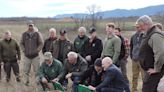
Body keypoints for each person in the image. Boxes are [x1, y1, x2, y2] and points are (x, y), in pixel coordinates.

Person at [137, 15, 164, 92]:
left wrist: (156, 68)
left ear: (146, 24)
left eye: (141, 26)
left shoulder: (155, 35)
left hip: (156, 72)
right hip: (151, 71)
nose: (140, 28)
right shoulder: (149, 34)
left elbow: (161, 53)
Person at [20, 20, 44, 86]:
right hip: (27, 56)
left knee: (37, 71)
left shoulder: (37, 34)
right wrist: (24, 50)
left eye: (31, 25)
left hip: (35, 56)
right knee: (25, 71)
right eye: (29, 25)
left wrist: (37, 50)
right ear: (27, 26)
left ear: (33, 25)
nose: (30, 27)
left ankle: (38, 83)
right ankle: (26, 83)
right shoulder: (24, 34)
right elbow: (21, 43)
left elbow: (41, 43)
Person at [130, 23, 144, 92]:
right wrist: (131, 56)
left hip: (143, 60)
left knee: (144, 77)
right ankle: (134, 90)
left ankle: (145, 89)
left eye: (138, 27)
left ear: (141, 27)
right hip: (134, 59)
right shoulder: (133, 36)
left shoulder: (145, 36)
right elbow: (131, 47)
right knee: (134, 76)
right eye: (136, 27)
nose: (137, 29)